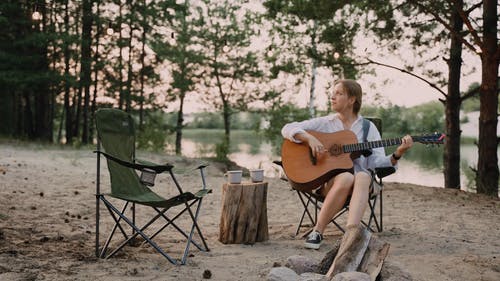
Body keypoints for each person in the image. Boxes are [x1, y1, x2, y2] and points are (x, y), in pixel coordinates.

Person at [281, 79, 413, 249]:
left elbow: (376, 162)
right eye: (333, 93)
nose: (332, 97)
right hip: (330, 184)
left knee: (363, 176)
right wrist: (309, 138)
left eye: (339, 93)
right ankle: (318, 231)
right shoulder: (325, 123)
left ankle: (351, 236)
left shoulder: (368, 128)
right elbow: (288, 128)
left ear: (352, 100)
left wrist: (398, 153)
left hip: (362, 185)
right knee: (345, 177)